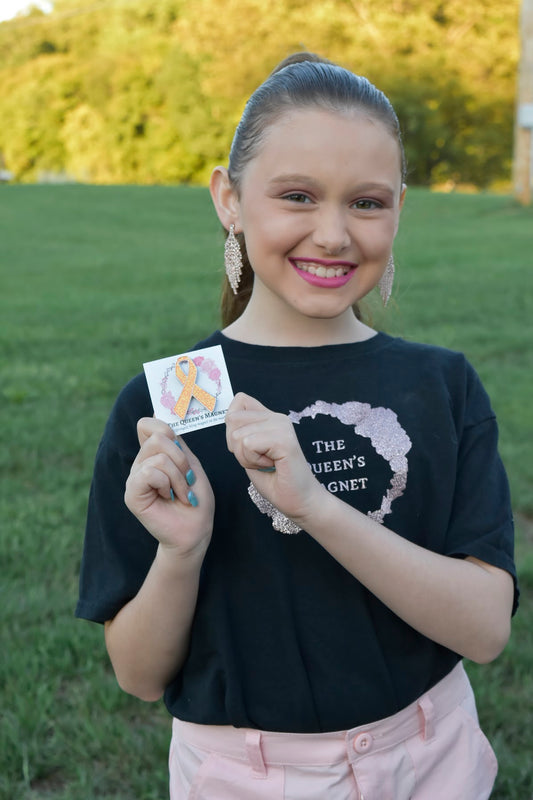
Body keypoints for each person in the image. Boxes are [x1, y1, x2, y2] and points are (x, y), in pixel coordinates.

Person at [76, 52, 518, 799]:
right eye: (297, 196)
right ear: (228, 199)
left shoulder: (440, 384)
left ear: (399, 208)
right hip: (239, 774)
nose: (334, 233)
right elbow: (139, 674)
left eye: (367, 203)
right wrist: (181, 551)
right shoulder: (168, 405)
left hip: (428, 758)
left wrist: (313, 506)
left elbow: (483, 630)